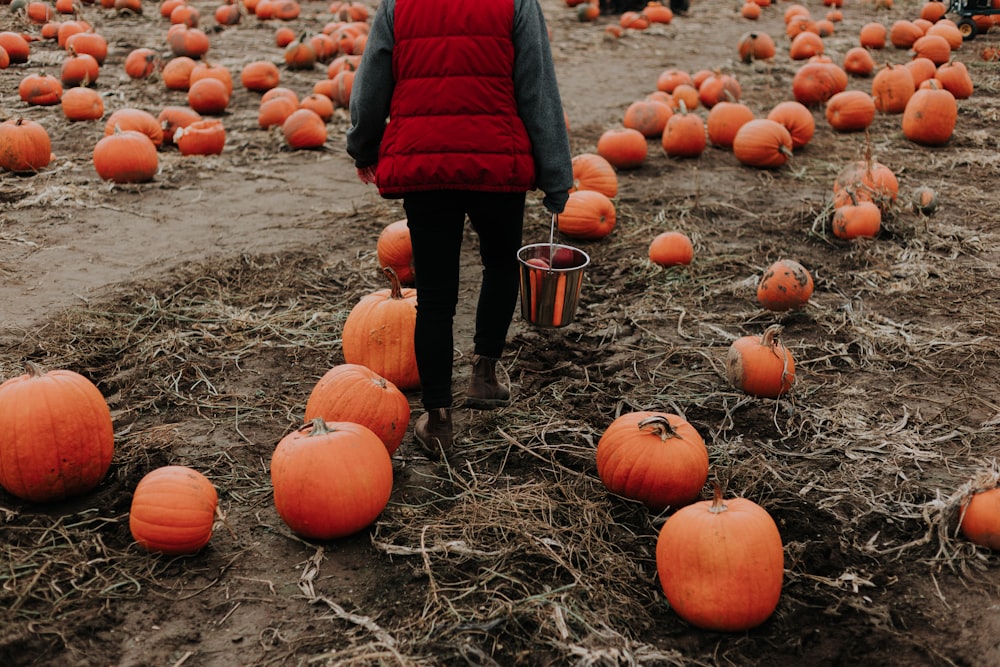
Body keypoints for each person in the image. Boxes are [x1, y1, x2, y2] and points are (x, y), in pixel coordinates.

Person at [346, 0, 573, 459]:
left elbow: (372, 81)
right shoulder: (516, 4)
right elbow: (538, 89)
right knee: (501, 265)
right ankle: (484, 375)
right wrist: (556, 177)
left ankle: (438, 417)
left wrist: (363, 146)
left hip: (425, 164)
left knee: (434, 294)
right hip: (497, 161)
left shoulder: (398, 5)